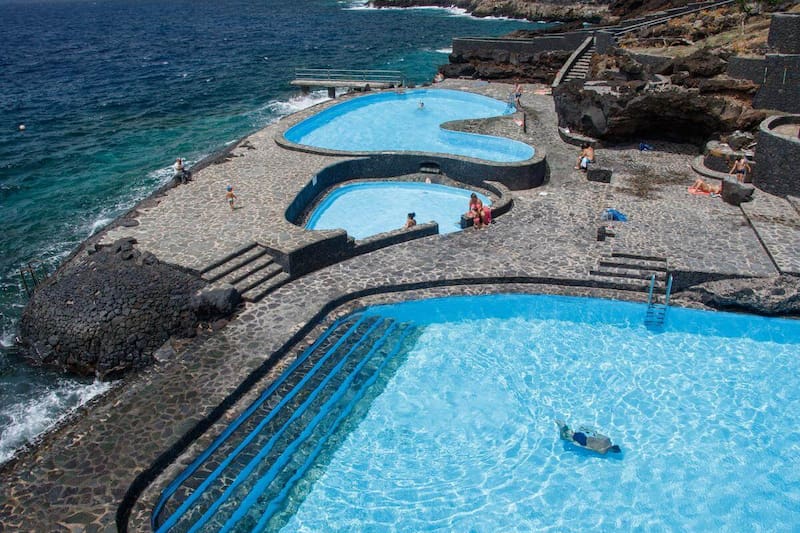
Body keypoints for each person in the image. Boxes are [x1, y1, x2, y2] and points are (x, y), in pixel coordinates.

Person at [556, 420, 621, 455]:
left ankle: (566, 428)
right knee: (563, 438)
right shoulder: (603, 451)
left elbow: (596, 434)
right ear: (612, 451)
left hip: (585, 437)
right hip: (584, 442)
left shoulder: (607, 439)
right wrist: (579, 445)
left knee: (572, 434)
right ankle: (563, 426)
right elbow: (589, 448)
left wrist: (585, 429)